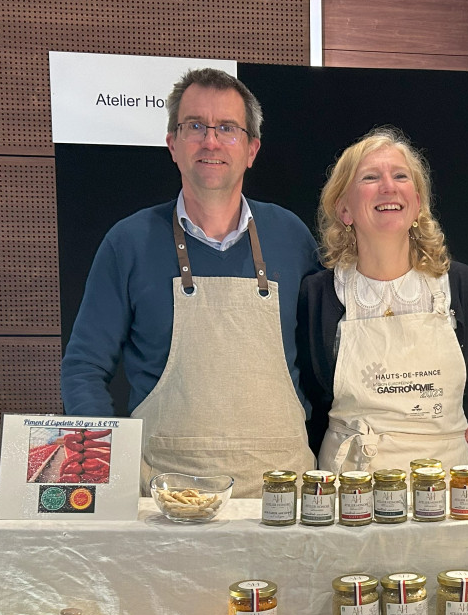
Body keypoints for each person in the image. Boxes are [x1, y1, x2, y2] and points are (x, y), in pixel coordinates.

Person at [61, 68, 320, 495]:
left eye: (228, 129)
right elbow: (83, 369)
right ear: (172, 145)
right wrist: (115, 470)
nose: (211, 141)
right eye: (195, 126)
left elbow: (321, 365)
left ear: (251, 149)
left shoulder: (291, 237)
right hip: (164, 499)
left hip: (282, 497)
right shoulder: (128, 243)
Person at [297, 128, 468, 479]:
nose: (388, 187)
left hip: (447, 485)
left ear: (418, 203)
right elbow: (314, 402)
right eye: (371, 177)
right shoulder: (320, 294)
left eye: (400, 176)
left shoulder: (458, 283)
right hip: (351, 486)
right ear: (344, 208)